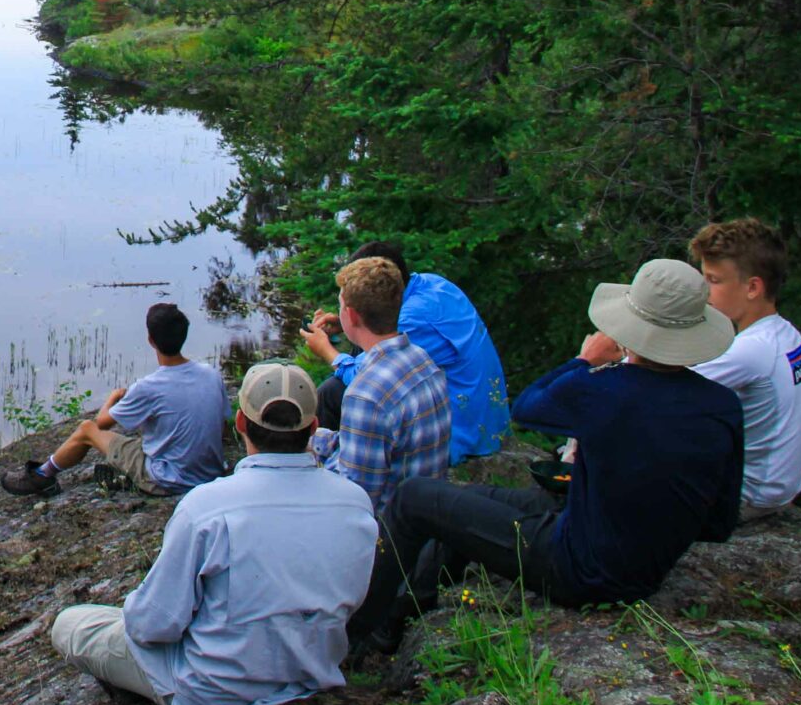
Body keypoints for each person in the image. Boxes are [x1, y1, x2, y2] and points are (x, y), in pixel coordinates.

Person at [347, 259, 744, 649]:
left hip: (579, 568)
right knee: (465, 501)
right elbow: (719, 523)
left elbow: (530, 407)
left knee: (416, 497)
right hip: (639, 565)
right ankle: (409, 608)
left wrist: (585, 360)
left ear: (630, 331)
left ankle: (358, 633)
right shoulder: (723, 405)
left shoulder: (604, 389)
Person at [48, 362, 378, 705]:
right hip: (311, 674)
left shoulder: (206, 507)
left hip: (215, 694)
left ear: (240, 424)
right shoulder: (355, 502)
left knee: (71, 624)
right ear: (313, 428)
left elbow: (151, 626)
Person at [301, 242, 510, 464]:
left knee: (330, 392)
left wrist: (327, 350)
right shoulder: (432, 284)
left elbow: (370, 379)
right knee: (341, 376)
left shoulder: (411, 320)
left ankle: (326, 465)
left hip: (460, 430)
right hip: (484, 411)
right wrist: (348, 323)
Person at [2, 303, 227, 497]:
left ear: (151, 340)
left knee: (86, 429)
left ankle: (42, 475)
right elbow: (221, 421)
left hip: (170, 480)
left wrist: (112, 398)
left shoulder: (149, 387)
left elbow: (102, 423)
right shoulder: (210, 374)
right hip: (211, 473)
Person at [687, 219, 801, 521]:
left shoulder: (752, 350)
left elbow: (656, 389)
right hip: (780, 485)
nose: (703, 290)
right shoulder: (786, 335)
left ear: (752, 288)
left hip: (749, 496)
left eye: (714, 280)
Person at [307, 257, 451, 514]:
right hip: (427, 510)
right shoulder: (422, 359)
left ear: (350, 315)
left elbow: (353, 498)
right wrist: (309, 438)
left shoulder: (365, 394)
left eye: (340, 306)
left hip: (389, 531)